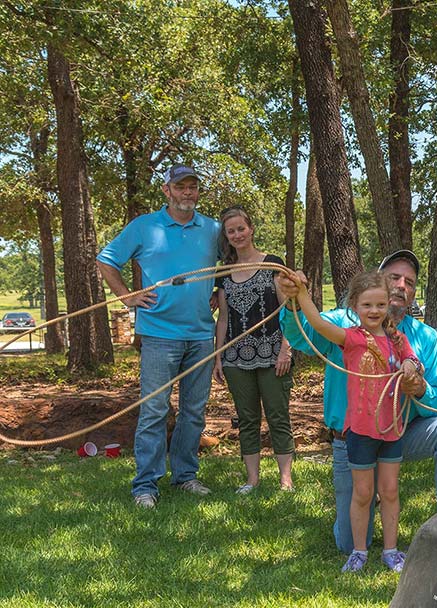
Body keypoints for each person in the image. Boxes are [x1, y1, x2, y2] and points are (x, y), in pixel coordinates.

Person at [277, 250, 437, 554]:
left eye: (410, 282)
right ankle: (364, 511)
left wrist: (418, 389)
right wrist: (292, 300)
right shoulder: (345, 325)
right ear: (379, 281)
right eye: (394, 277)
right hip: (353, 438)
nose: (401, 286)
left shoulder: (426, 337)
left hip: (400, 434)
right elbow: (301, 335)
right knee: (348, 543)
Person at [96, 164, 220, 508]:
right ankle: (145, 486)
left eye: (193, 187)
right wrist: (126, 296)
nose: (188, 193)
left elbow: (232, 265)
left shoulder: (212, 229)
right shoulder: (144, 227)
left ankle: (185, 476)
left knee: (194, 411)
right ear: (166, 190)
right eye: (181, 187)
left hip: (200, 335)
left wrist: (218, 290)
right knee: (154, 410)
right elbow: (106, 260)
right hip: (159, 333)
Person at [284, 269, 420, 572]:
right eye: (367, 305)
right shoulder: (352, 339)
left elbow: (412, 358)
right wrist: (301, 295)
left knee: (390, 491)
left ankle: (390, 551)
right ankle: (359, 551)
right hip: (360, 429)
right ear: (354, 307)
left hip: (392, 429)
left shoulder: (397, 339)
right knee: (363, 493)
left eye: (380, 305)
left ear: (388, 305)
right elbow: (317, 324)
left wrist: (410, 365)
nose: (374, 311)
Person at [212, 206, 295, 494]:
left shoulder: (273, 264)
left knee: (277, 415)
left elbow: (288, 310)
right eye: (231, 231)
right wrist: (218, 356)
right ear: (226, 235)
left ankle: (286, 480)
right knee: (247, 419)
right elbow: (222, 317)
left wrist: (286, 349)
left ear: (251, 229)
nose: (237, 234)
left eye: (241, 228)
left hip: (274, 354)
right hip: (236, 357)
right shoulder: (223, 272)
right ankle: (252, 480)